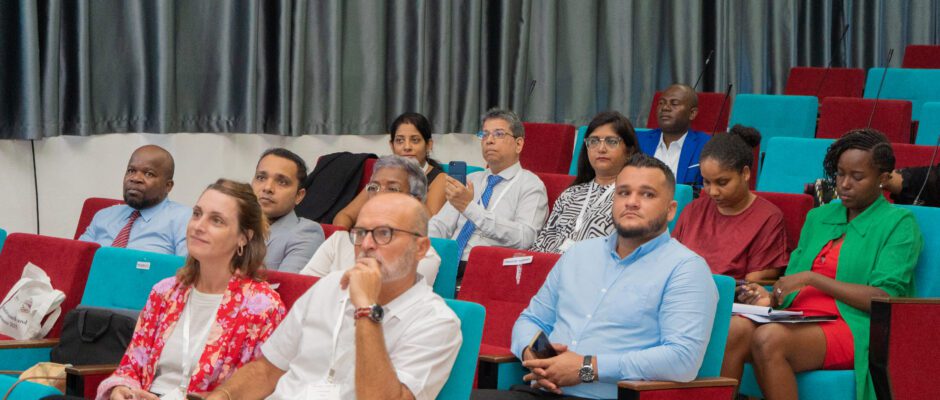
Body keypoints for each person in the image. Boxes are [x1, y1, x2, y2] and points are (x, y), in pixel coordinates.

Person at [473, 154, 718, 399]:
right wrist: (533, 354)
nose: (632, 202)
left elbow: (682, 359)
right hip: (542, 391)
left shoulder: (685, 269)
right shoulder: (578, 254)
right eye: (623, 192)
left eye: (647, 194)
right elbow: (532, 319)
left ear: (670, 210)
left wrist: (586, 369)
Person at [722, 129, 924, 400]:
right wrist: (770, 297)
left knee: (768, 339)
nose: (844, 184)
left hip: (855, 325)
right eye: (840, 174)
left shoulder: (899, 224)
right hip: (797, 316)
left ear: (883, 179)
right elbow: (793, 280)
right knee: (733, 330)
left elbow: (886, 298)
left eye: (857, 177)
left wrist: (813, 279)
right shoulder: (819, 216)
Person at [205, 193, 462, 400]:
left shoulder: (437, 322)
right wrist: (224, 395)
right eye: (360, 233)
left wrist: (366, 308)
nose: (366, 245)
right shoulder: (330, 285)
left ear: (420, 248)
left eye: (384, 233)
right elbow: (267, 370)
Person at [97, 179, 286, 400]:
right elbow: (131, 366)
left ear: (244, 237)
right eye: (197, 214)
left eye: (216, 220)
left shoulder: (263, 307)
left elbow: (262, 386)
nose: (198, 226)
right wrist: (121, 389)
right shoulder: (165, 292)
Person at [429, 108, 548, 270]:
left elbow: (525, 238)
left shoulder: (530, 185)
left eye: (499, 134)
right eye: (484, 134)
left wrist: (469, 207)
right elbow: (439, 226)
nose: (489, 140)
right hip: (447, 264)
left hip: (488, 268)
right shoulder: (472, 179)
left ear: (518, 144)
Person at [300, 155, 441, 285]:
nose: (379, 195)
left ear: (415, 202)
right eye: (374, 187)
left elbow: (383, 296)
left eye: (392, 189)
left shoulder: (421, 255)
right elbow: (304, 289)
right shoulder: (338, 241)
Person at [673, 125, 789, 280]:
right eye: (706, 182)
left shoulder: (768, 218)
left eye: (722, 182)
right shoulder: (692, 210)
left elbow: (754, 282)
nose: (713, 191)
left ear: (745, 173)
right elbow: (669, 262)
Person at [531, 111, 638, 253]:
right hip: (551, 265)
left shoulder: (632, 198)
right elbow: (540, 245)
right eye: (594, 141)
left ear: (629, 151)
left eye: (611, 141)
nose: (601, 149)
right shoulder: (570, 194)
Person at [333, 112, 447, 228]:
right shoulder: (384, 175)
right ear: (392, 146)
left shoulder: (440, 179)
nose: (407, 147)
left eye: (415, 140)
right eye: (400, 141)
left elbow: (431, 227)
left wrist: (410, 190)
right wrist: (342, 234)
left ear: (428, 145)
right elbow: (344, 215)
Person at [79, 145, 191, 255]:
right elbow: (76, 258)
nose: (135, 178)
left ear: (168, 186)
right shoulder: (103, 216)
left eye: (149, 174)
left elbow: (188, 266)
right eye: (131, 171)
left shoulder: (183, 219)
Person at [251, 148, 325, 273]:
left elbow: (286, 285)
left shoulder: (307, 233)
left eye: (282, 182)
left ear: (299, 196)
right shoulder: (234, 222)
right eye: (261, 178)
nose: (267, 188)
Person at [637, 84, 711, 187]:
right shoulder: (637, 140)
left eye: (674, 103)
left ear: (692, 113)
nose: (665, 108)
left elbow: (709, 188)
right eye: (661, 103)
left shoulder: (707, 145)